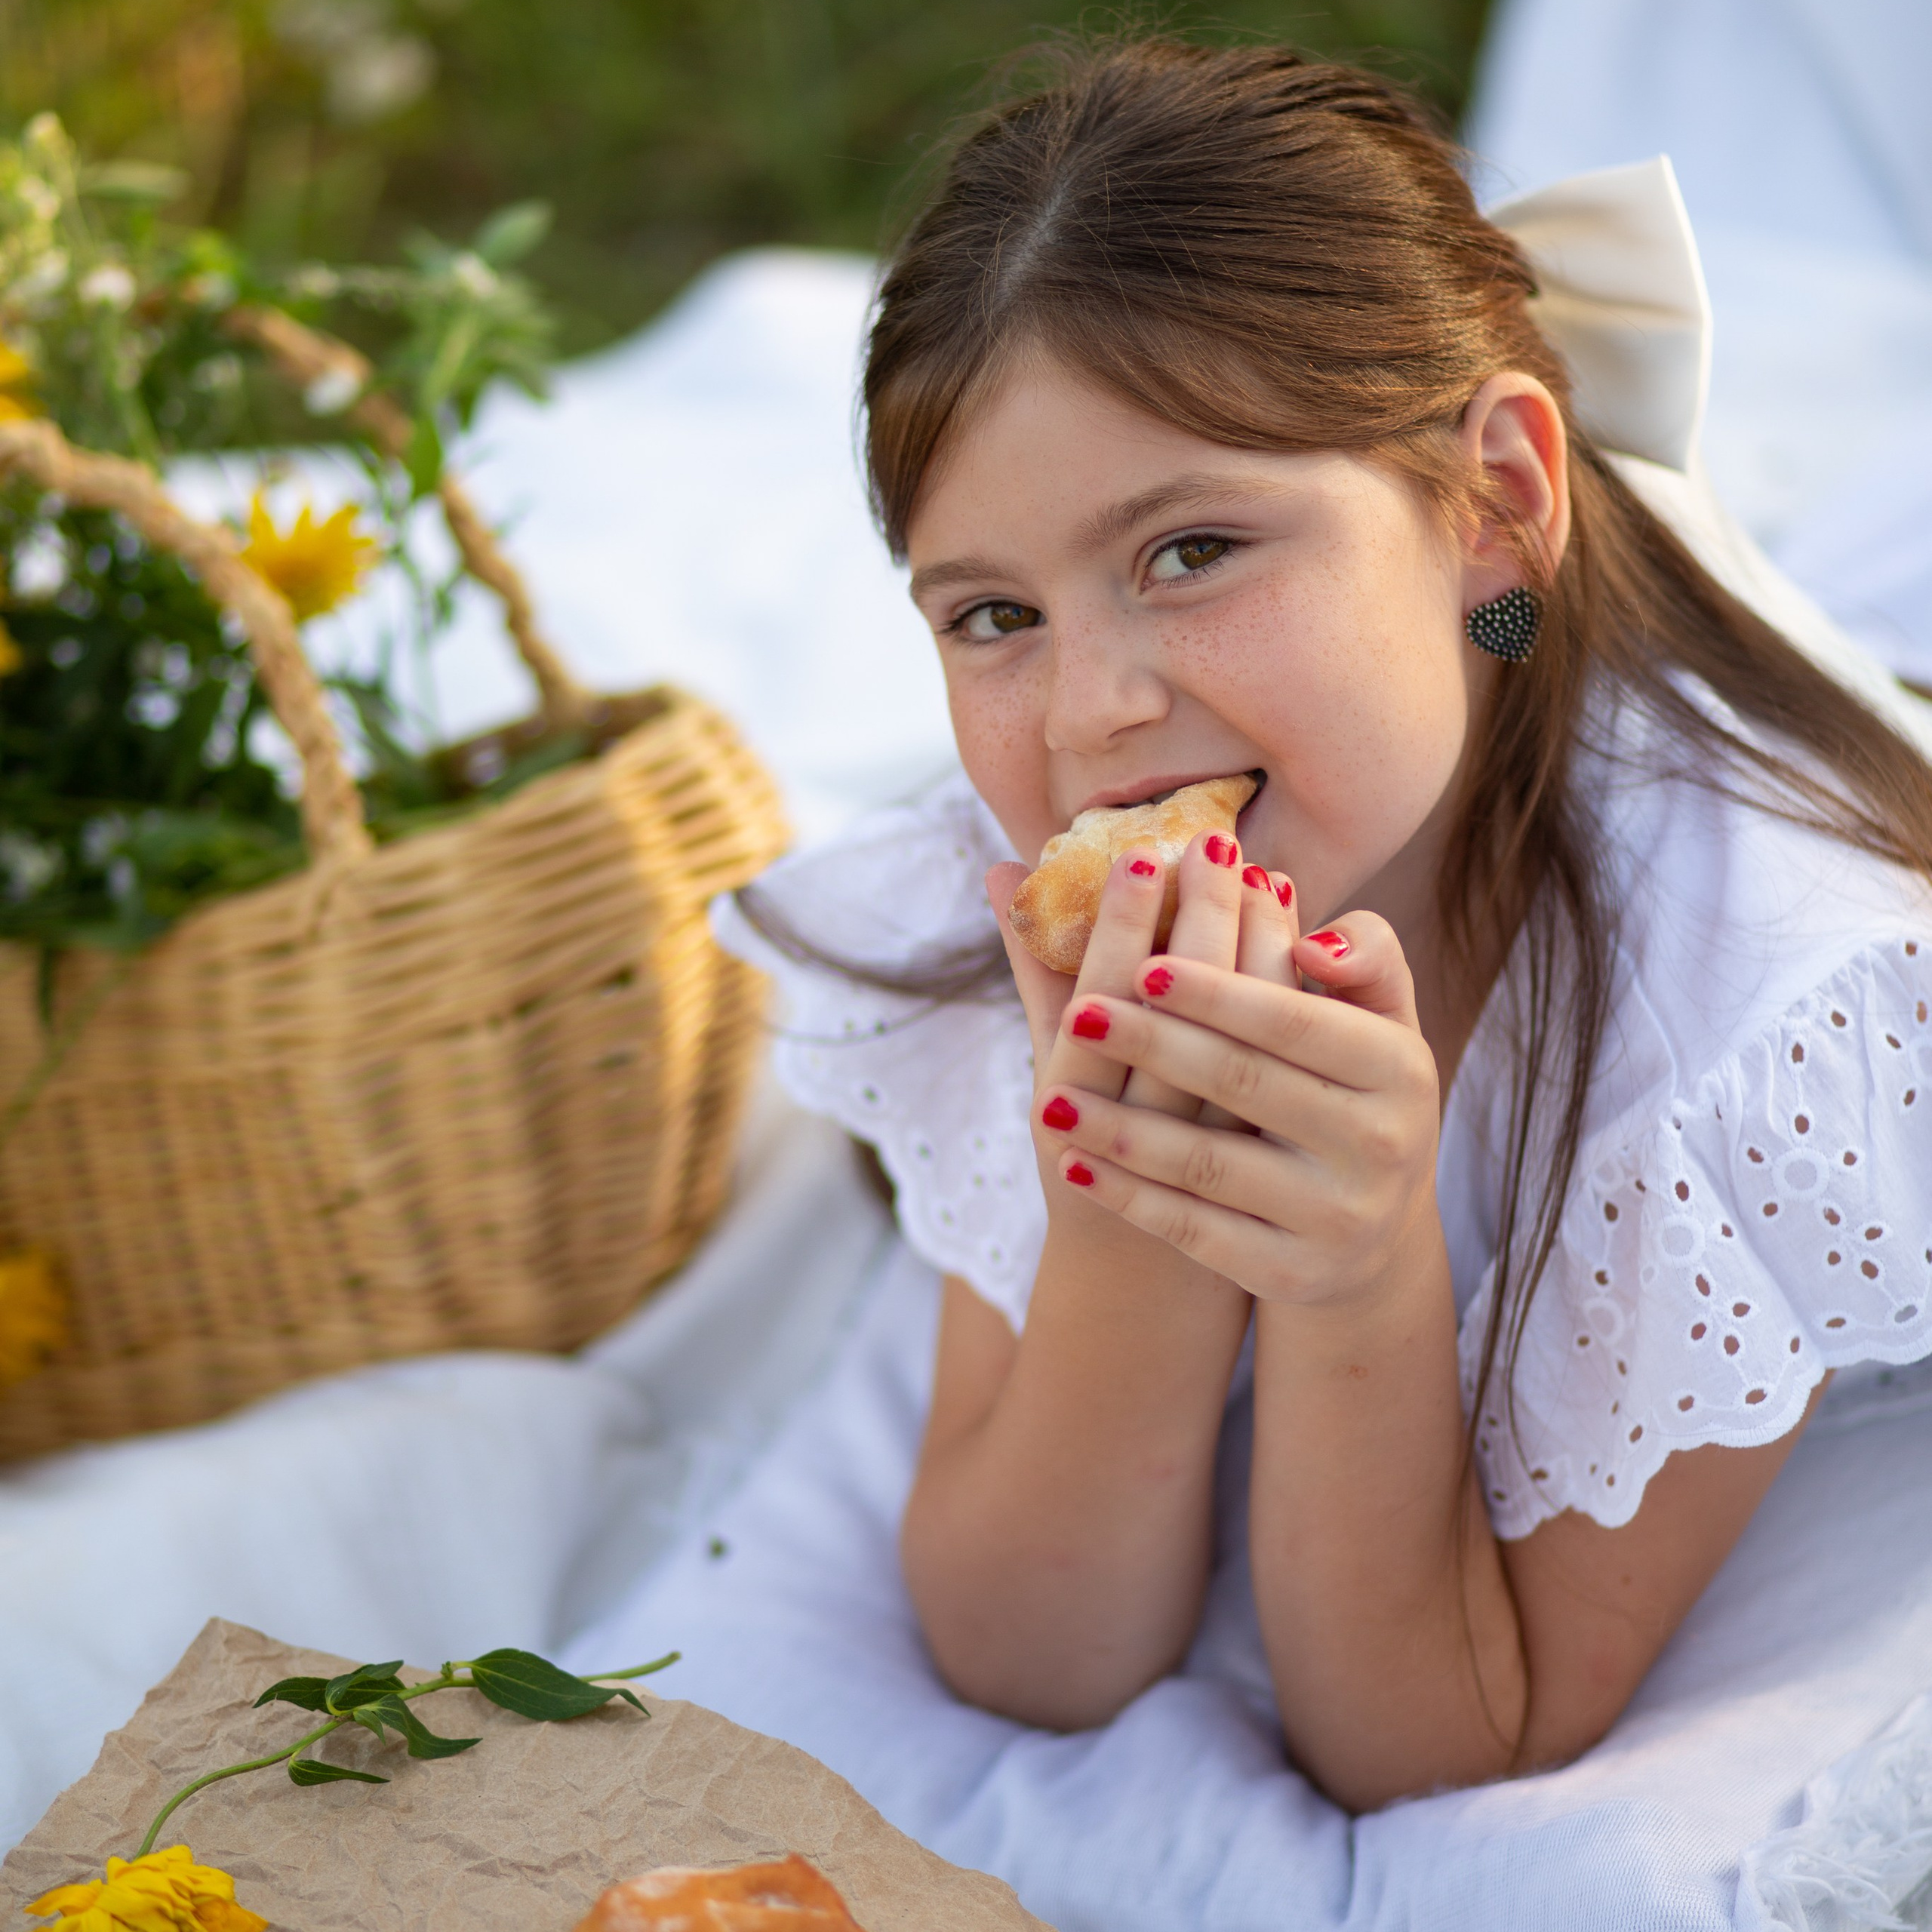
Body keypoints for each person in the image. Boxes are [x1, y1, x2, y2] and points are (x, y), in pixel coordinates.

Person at [626, 34, 1932, 1838]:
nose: (1087, 712)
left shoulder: (1757, 1004)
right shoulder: (1036, 891)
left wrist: (1352, 1273)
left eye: (1186, 552)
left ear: (1491, 502)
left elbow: (1447, 1733)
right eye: (990, 611)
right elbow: (1027, 1652)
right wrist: (1131, 1196)